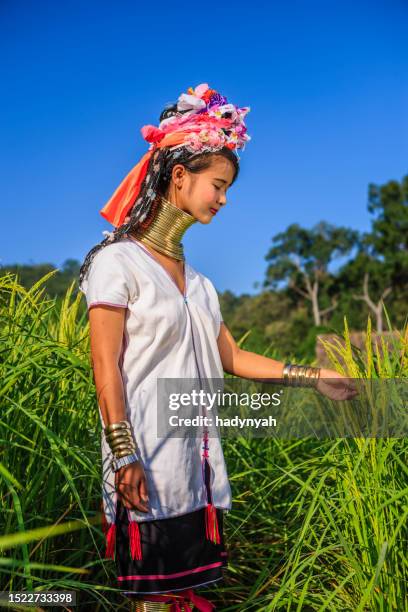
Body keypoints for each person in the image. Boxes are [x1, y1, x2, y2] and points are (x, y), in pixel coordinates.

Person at [78, 83, 357, 611]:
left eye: (227, 187)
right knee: (153, 602)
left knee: (190, 597)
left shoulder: (200, 284)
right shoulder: (118, 263)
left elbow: (231, 358)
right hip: (144, 465)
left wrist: (313, 378)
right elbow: (104, 364)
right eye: (218, 184)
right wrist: (122, 454)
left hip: (195, 467)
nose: (224, 198)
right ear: (179, 176)